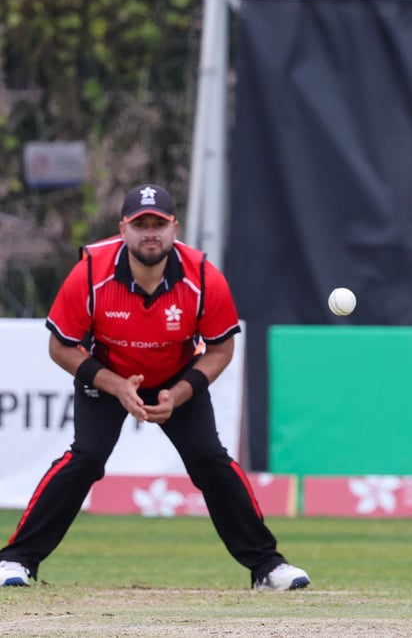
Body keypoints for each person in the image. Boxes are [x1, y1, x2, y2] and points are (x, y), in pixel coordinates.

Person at [0, 184, 309, 592]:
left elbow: (221, 349)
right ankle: (15, 560)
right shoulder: (92, 271)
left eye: (158, 224)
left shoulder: (202, 276)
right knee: (87, 458)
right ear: (122, 230)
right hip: (107, 374)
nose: (150, 233)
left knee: (209, 459)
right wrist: (115, 385)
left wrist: (178, 394)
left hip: (176, 377)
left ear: (174, 229)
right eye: (140, 224)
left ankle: (267, 567)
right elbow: (60, 346)